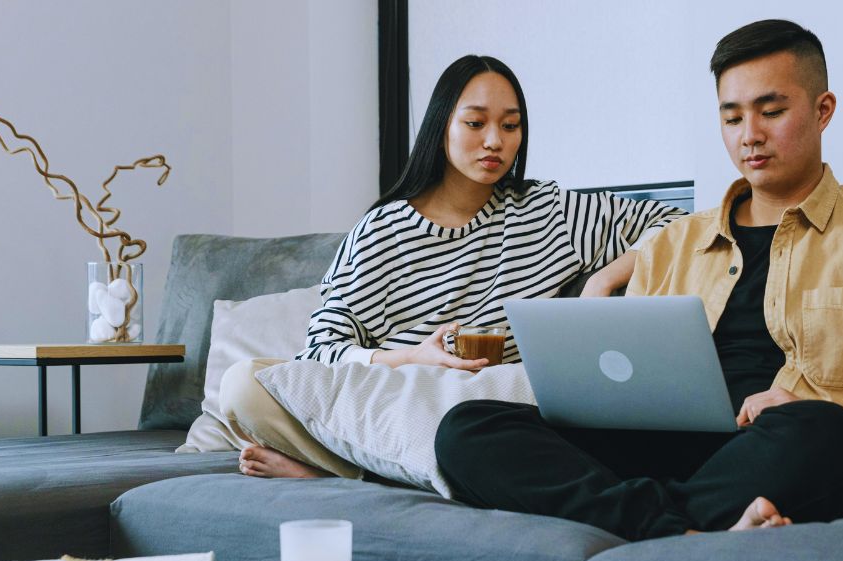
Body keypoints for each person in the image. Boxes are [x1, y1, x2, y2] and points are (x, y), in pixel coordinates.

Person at [434, 20, 843, 540]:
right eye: (731, 117)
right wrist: (603, 290)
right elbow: (628, 388)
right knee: (468, 428)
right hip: (677, 450)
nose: (749, 135)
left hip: (794, 449)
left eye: (771, 111)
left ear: (823, 111)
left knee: (821, 432)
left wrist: (827, 413)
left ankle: (649, 519)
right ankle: (687, 531)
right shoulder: (674, 243)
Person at [221, 55, 684, 479]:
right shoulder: (382, 231)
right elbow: (321, 350)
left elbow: (679, 223)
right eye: (476, 123)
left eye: (510, 125)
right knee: (245, 385)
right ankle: (378, 471)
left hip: (498, 408)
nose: (494, 141)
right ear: (441, 125)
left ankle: (349, 475)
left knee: (552, 394)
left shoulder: (547, 211)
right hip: (401, 401)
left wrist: (604, 279)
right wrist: (411, 358)